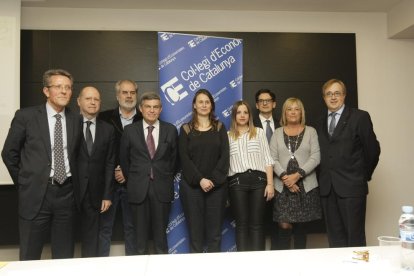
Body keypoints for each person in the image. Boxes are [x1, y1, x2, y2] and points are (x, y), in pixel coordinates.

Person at [2, 69, 81, 260]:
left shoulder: (76, 119)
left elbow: (77, 156)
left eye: (68, 88)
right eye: (59, 87)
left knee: (64, 255)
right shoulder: (25, 116)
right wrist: (25, 182)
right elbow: (8, 153)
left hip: (66, 194)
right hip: (36, 194)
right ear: (46, 91)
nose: (64, 91)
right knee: (30, 254)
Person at [316, 79, 380, 247]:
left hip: (352, 187)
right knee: (335, 239)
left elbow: (373, 150)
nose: (333, 97)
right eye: (329, 94)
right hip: (327, 189)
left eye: (337, 93)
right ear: (324, 98)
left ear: (344, 95)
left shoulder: (360, 117)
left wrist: (361, 176)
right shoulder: (319, 121)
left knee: (355, 238)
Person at [120, 91, 178, 254]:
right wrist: (135, 179)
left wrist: (163, 176)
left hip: (162, 189)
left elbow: (174, 161)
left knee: (161, 239)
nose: (152, 110)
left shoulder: (171, 130)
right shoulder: (130, 131)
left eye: (155, 107)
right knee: (139, 240)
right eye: (148, 107)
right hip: (138, 189)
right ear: (141, 109)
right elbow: (124, 161)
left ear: (160, 109)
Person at [178, 89, 229, 253]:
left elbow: (225, 157)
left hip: (217, 188)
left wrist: (212, 180)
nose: (204, 105)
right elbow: (184, 159)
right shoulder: (185, 129)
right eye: (200, 102)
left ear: (212, 105)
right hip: (192, 188)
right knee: (195, 234)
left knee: (215, 235)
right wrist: (200, 179)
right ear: (194, 105)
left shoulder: (220, 127)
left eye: (207, 102)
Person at [269, 97, 322, 249]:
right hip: (282, 187)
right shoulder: (277, 133)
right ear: (284, 112)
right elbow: (272, 158)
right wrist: (286, 179)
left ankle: (300, 265)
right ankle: (285, 265)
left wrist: (297, 175)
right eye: (289, 109)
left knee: (301, 227)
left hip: (305, 187)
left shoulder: (311, 131)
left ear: (301, 112)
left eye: (296, 109)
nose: (293, 112)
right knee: (284, 226)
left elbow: (316, 156)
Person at [98, 79, 142, 256]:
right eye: (125, 92)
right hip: (107, 184)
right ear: (117, 96)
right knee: (104, 229)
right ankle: (100, 267)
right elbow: (99, 150)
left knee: (132, 229)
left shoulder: (144, 118)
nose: (129, 96)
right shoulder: (104, 118)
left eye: (132, 92)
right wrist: (115, 170)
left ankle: (134, 267)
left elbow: (147, 155)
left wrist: (127, 172)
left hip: (134, 183)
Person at [227, 100, 275, 251]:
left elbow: (267, 159)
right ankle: (243, 264)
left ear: (249, 115)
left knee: (257, 224)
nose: (242, 115)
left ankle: (258, 264)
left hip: (259, 181)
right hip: (237, 182)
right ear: (234, 115)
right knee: (241, 224)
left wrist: (270, 184)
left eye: (245, 112)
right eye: (239, 112)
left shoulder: (259, 133)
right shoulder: (227, 136)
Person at [76, 86, 116, 257]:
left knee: (91, 241)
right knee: (63, 239)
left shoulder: (108, 129)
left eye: (96, 99)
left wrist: (107, 194)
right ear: (79, 101)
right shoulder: (69, 125)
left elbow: (109, 164)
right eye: (88, 98)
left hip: (95, 194)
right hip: (69, 192)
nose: (93, 102)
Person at [252, 88, 279, 249]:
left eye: (268, 100)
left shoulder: (283, 122)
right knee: (258, 221)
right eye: (261, 101)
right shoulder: (249, 124)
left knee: (279, 220)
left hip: (281, 177)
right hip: (258, 177)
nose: (265, 103)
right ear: (257, 105)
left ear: (274, 103)